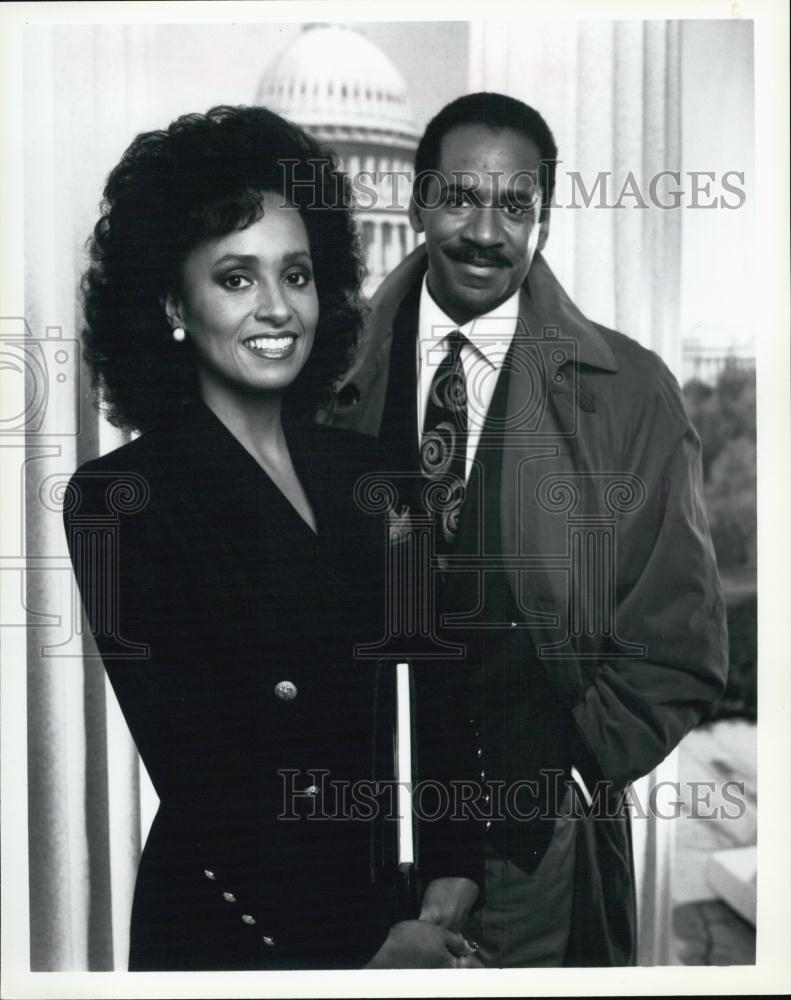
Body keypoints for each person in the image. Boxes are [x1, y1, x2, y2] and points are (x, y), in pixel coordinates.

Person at [63, 105, 482, 971]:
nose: (276, 308)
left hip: (389, 898)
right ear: (174, 302)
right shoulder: (118, 501)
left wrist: (451, 869)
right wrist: (366, 950)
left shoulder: (375, 478)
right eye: (236, 278)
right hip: (233, 923)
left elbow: (436, 696)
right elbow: (205, 781)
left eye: (294, 274)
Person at [319, 92, 729, 966]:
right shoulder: (326, 378)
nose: (484, 231)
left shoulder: (630, 392)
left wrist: (565, 776)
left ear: (544, 220)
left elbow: (680, 641)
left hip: (530, 847)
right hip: (343, 837)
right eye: (461, 196)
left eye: (515, 206)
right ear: (418, 200)